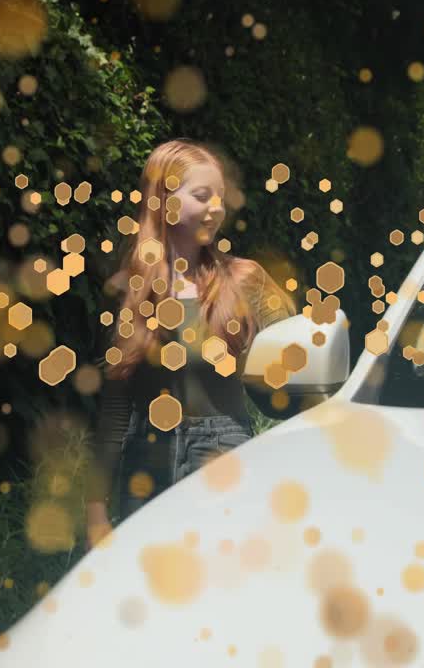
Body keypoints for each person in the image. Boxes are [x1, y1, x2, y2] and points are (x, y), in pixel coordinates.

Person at [83, 138, 296, 549]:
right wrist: (95, 510)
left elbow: (299, 364)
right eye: (202, 195)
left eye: (220, 196)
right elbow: (114, 407)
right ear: (164, 200)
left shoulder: (245, 280)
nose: (217, 207)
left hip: (224, 455)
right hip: (145, 463)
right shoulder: (127, 290)